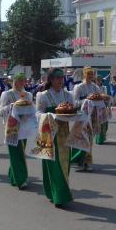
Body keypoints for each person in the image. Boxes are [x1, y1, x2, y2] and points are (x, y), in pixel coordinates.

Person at [35, 68, 74, 206]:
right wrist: (51, 116)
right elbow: (38, 114)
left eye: (61, 78)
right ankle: (59, 196)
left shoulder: (67, 95)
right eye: (57, 78)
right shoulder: (43, 95)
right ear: (51, 80)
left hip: (64, 134)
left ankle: (58, 192)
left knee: (64, 164)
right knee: (52, 165)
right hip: (48, 134)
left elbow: (73, 111)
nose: (60, 81)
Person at [0, 73, 33, 189]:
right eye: (18, 81)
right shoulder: (7, 94)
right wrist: (12, 106)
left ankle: (14, 173)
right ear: (14, 81)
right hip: (12, 127)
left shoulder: (28, 94)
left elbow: (31, 109)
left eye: (23, 81)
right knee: (15, 152)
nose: (20, 83)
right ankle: (21, 179)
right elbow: (1, 111)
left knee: (21, 152)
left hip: (24, 127)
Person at [71, 66, 101, 171]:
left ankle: (86, 162)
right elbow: (75, 103)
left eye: (91, 74)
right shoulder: (78, 87)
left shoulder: (95, 87)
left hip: (92, 117)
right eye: (88, 74)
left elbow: (99, 100)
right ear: (84, 74)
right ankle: (79, 161)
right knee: (81, 139)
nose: (90, 76)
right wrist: (86, 100)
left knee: (89, 140)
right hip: (82, 116)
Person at [94, 76, 109, 145]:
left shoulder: (104, 88)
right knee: (98, 123)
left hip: (103, 106)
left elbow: (106, 96)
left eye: (100, 80)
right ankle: (98, 139)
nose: (99, 81)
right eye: (98, 80)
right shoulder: (93, 87)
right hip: (96, 107)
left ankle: (102, 138)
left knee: (104, 123)